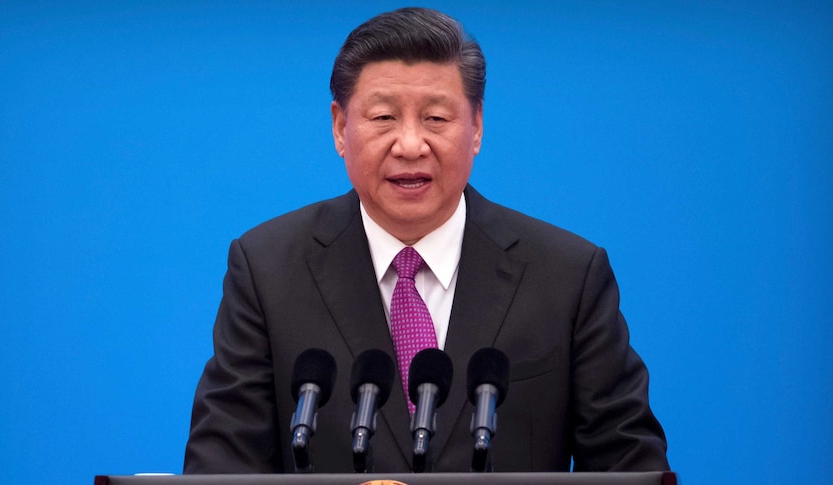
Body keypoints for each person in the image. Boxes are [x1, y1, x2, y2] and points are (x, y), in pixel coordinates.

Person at [183, 7, 668, 474]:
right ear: (339, 128)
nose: (410, 144)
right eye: (383, 118)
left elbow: (629, 464)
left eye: (436, 118)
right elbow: (222, 465)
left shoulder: (567, 276)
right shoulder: (268, 270)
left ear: (475, 127)